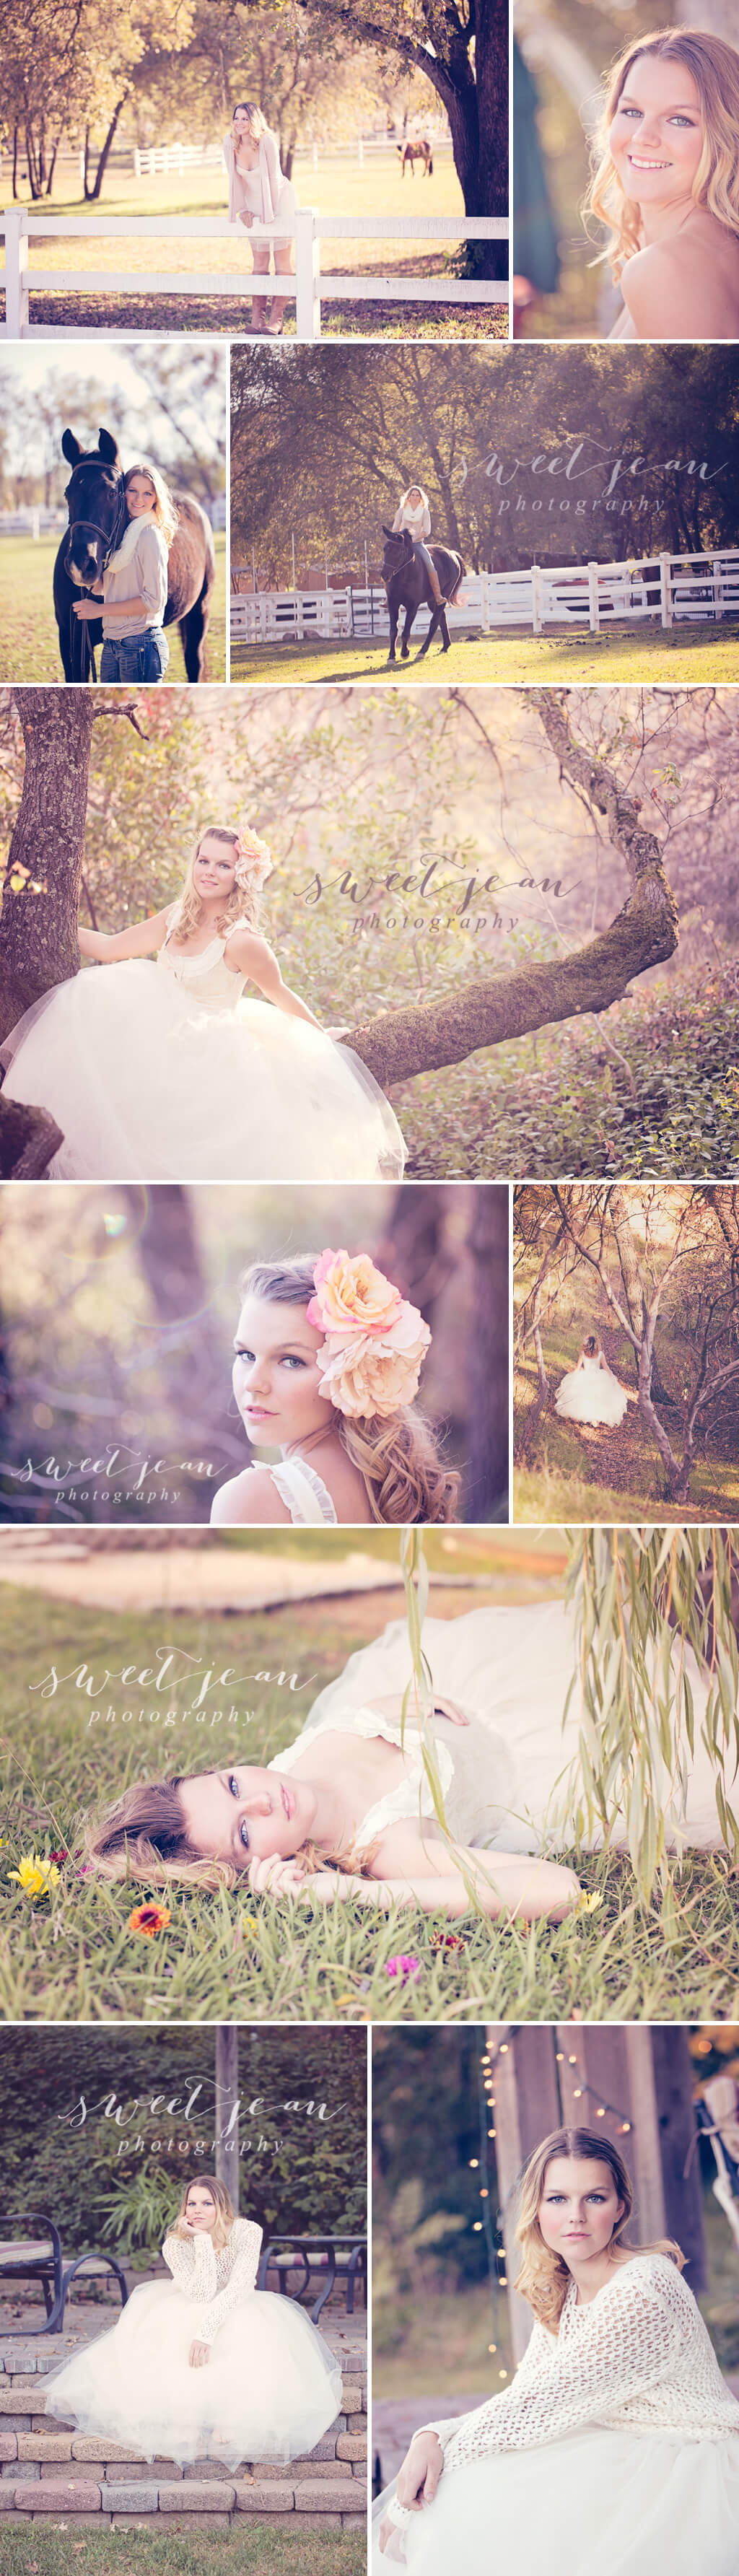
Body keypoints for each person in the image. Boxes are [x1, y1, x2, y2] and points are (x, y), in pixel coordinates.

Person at [83, 1589, 728, 1914]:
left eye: (230, 1785)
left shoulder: (288, 1765)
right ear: (260, 1866)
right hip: (556, 1756)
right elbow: (559, 1890)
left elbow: (352, 1711)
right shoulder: (388, 1846)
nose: (260, 1796)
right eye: (247, 1830)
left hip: (499, 1690)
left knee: (659, 1638)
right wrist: (346, 1894)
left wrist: (397, 1703)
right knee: (705, 1728)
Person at [375, 2127, 739, 2576]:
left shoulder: (644, 2287)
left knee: (469, 2491)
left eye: (595, 2198)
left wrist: (406, 2505)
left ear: (620, 2207)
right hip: (622, 2440)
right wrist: (432, 2436)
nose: (577, 2217)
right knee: (482, 2483)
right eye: (558, 2199)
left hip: (689, 2458)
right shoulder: (564, 2292)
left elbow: (536, 2408)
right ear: (537, 2210)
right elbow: (526, 2395)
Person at [0, 825, 406, 1182]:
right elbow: (109, 948)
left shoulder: (243, 941)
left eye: (224, 865)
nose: (209, 872)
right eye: (204, 860)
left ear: (241, 874)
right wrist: (36, 924)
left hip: (208, 1048)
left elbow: (281, 994)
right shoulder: (177, 916)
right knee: (92, 996)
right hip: (150, 1034)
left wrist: (324, 1043)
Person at [43, 2173, 341, 2468]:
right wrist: (201, 2242)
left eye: (207, 2203)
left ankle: (227, 2416)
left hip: (239, 2302)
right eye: (191, 2203)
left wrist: (207, 2331)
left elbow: (239, 2286)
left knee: (240, 2328)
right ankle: (185, 2418)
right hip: (192, 2302)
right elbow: (201, 2294)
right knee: (181, 2328)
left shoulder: (247, 2232)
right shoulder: (175, 2244)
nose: (197, 2210)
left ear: (222, 2207)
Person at [210, 1249, 459, 1527]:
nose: (253, 1383)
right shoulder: (396, 1489)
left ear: (352, 1367)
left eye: (291, 1361)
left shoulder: (249, 1501)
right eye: (246, 1355)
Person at [584, 28, 739, 343]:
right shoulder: (707, 248)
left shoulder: (664, 268)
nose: (643, 137)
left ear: (726, 137)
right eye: (632, 111)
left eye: (679, 119)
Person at [71, 461, 175, 682]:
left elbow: (154, 602)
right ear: (122, 493)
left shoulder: (149, 536)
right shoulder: (122, 536)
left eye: (148, 493)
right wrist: (85, 575)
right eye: (133, 491)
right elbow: (105, 589)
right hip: (112, 644)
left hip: (141, 645)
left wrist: (99, 610)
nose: (139, 500)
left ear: (156, 498)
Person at [224, 102, 298, 336]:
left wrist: (270, 214)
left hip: (279, 203)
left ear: (254, 120)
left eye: (245, 119)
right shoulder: (230, 143)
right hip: (254, 205)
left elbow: (275, 179)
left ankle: (276, 320)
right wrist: (243, 209)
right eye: (237, 118)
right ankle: (257, 320)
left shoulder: (266, 142)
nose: (239, 123)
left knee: (282, 263)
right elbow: (234, 180)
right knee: (259, 263)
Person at [555, 1334, 634, 1428]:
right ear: (596, 1344)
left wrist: (574, 1376)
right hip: (598, 1376)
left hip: (586, 1375)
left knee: (586, 1397)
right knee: (598, 1398)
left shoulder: (583, 1353)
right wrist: (611, 1376)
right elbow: (606, 1367)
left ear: (587, 1344)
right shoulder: (600, 1354)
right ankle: (596, 1419)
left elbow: (577, 1368)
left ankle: (589, 1416)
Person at [392, 487, 444, 608]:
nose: (415, 497)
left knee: (429, 563)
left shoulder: (425, 512)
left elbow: (426, 531)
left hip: (418, 543)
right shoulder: (401, 511)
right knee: (392, 562)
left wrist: (413, 539)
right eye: (413, 495)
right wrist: (400, 538)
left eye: (417, 495)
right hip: (403, 544)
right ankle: (388, 597)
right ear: (408, 497)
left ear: (421, 498)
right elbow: (395, 528)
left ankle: (438, 596)